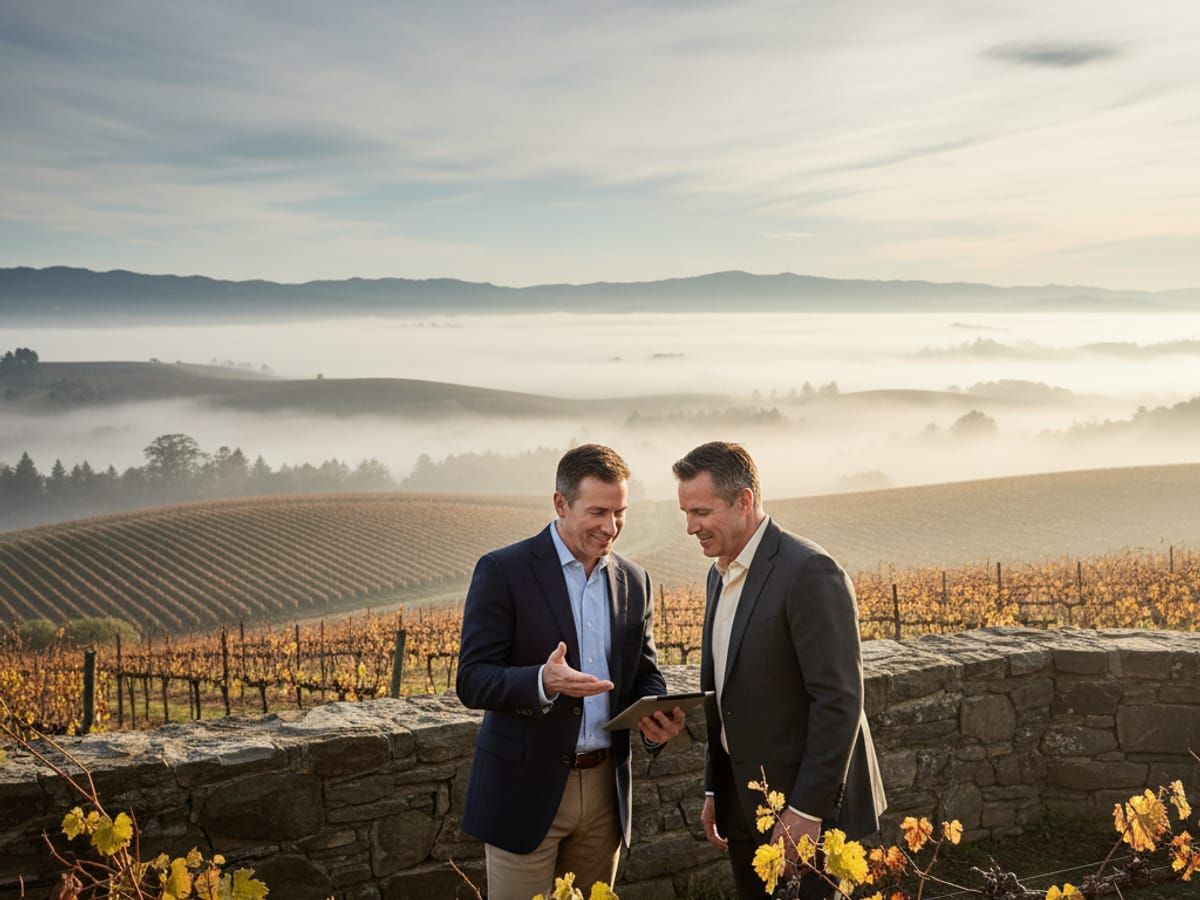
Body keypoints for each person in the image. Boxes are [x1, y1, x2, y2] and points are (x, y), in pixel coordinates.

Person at [457, 443, 686, 900]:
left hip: (606, 791)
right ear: (560, 504)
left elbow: (644, 672)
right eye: (597, 512)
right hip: (524, 791)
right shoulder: (503, 570)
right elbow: (472, 679)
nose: (611, 527)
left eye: (620, 512)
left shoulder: (635, 580)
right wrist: (541, 681)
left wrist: (655, 716)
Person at [673, 441, 886, 899]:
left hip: (808, 813)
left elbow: (839, 700)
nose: (691, 527)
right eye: (686, 513)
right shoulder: (718, 574)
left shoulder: (809, 571)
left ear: (744, 500)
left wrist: (808, 809)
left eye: (701, 512)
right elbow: (725, 695)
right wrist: (715, 789)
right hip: (743, 804)